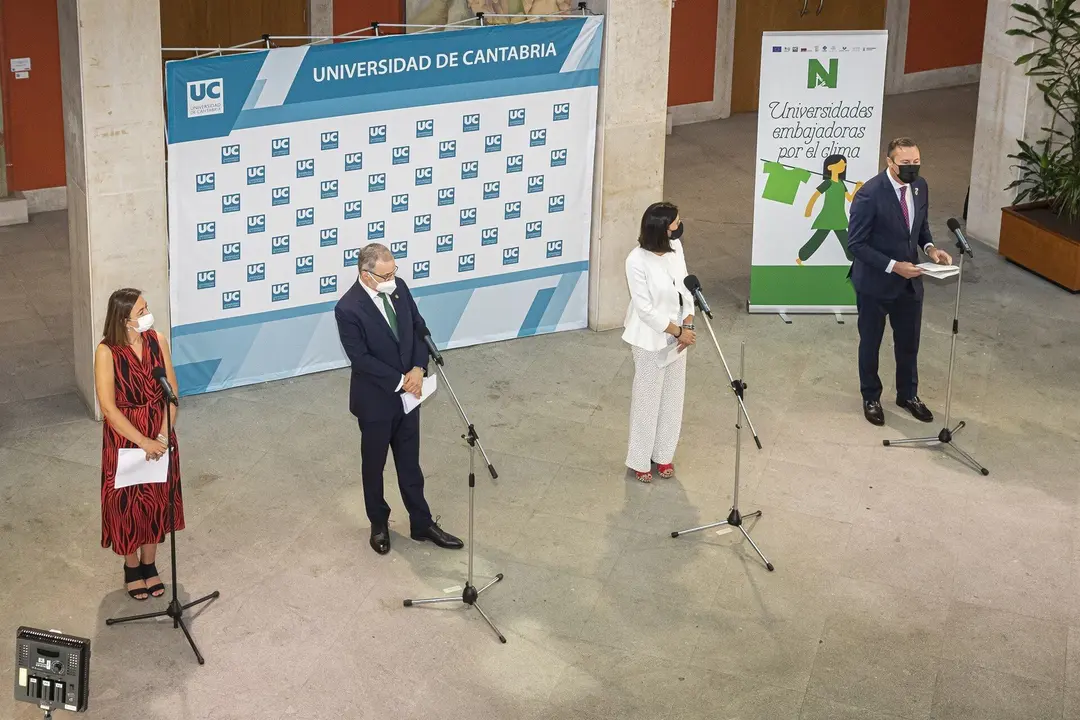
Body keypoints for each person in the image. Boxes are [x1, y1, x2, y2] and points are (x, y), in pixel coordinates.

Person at [334, 243, 463, 555]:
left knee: (410, 464)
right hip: (376, 402)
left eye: (393, 272)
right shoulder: (348, 308)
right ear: (366, 275)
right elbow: (360, 358)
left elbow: (417, 327)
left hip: (410, 397)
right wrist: (402, 381)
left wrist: (419, 368)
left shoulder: (399, 289)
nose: (391, 279)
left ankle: (422, 523)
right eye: (385, 275)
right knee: (373, 466)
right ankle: (378, 523)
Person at [848, 137, 953, 427]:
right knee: (871, 342)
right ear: (890, 162)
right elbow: (856, 244)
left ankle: (908, 395)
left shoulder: (920, 187)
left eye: (916, 162)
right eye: (905, 163)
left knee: (908, 343)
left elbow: (920, 225)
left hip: (910, 284)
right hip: (875, 284)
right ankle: (871, 397)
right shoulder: (869, 194)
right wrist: (895, 267)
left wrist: (930, 248)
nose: (912, 167)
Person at [94, 288, 183, 601]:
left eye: (146, 308)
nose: (147, 315)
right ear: (124, 319)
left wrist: (162, 436)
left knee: (156, 500)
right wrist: (143, 441)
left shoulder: (158, 340)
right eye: (141, 311)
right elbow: (108, 407)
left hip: (159, 431)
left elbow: (172, 393)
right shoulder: (106, 352)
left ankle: (150, 563)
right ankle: (131, 566)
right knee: (126, 504)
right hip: (125, 437)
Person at [622, 202, 696, 483]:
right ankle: (640, 459)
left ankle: (663, 455)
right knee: (647, 399)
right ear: (663, 228)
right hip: (650, 337)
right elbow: (645, 309)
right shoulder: (636, 261)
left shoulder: (676, 248)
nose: (680, 225)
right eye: (676, 222)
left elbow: (686, 287)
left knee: (673, 397)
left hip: (679, 332)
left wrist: (688, 322)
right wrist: (678, 332)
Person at [798, 154, 863, 264]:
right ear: (830, 167)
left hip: (839, 217)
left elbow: (849, 198)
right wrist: (808, 210)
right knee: (817, 239)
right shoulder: (828, 183)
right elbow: (815, 196)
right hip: (827, 216)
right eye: (841, 164)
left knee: (846, 240)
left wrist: (857, 188)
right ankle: (801, 257)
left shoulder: (841, 183)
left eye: (844, 165)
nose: (843, 166)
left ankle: (853, 259)